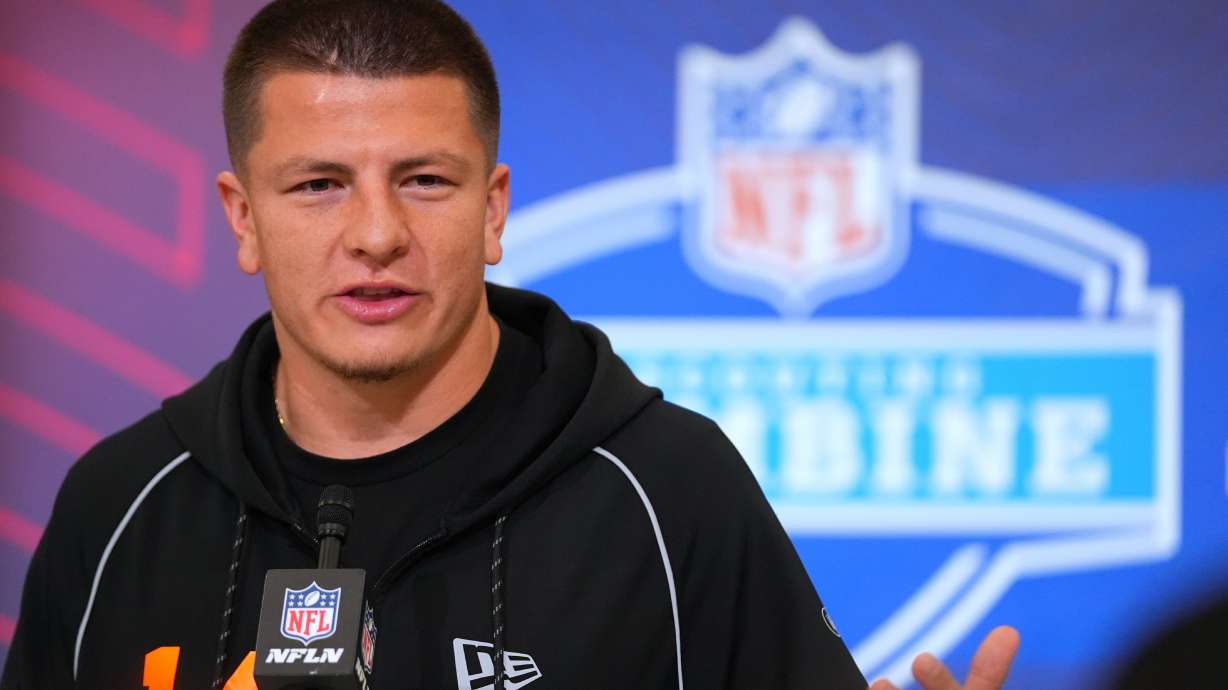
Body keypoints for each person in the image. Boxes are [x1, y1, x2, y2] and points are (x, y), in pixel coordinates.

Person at [1, 1, 1018, 689]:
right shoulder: (120, 507)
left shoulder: (671, 492)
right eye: (318, 185)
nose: (376, 234)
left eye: (424, 180)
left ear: (492, 210)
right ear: (242, 217)